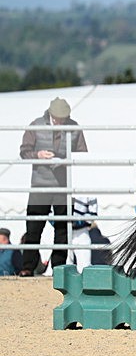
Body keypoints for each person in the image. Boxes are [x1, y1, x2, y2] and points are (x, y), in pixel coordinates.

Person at [18, 97, 88, 276]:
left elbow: (82, 155)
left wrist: (66, 161)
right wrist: (38, 155)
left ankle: (58, 267)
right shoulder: (35, 125)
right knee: (34, 227)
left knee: (63, 228)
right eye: (57, 118)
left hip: (64, 186)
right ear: (50, 114)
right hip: (39, 185)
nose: (59, 121)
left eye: (62, 118)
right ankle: (28, 267)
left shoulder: (74, 128)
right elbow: (24, 152)